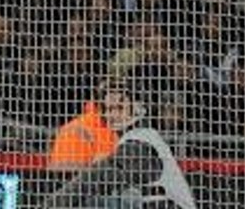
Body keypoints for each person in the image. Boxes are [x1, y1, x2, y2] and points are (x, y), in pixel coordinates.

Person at [44, 78, 197, 208]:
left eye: (119, 107)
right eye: (108, 109)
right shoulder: (129, 138)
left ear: (136, 107)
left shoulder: (142, 138)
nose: (113, 114)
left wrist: (52, 204)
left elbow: (100, 177)